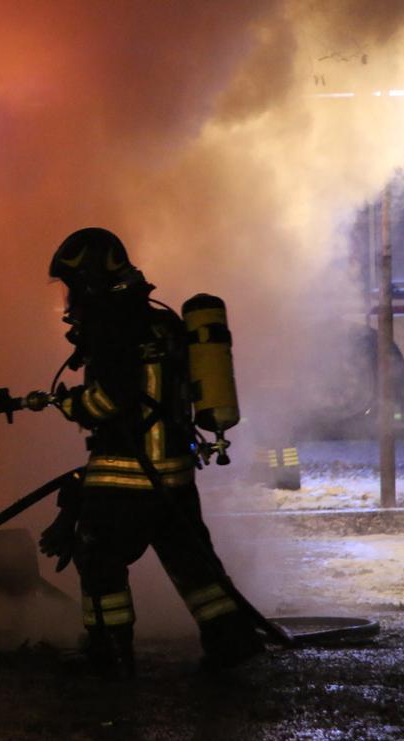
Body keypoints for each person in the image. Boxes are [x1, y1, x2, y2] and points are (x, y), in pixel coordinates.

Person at [36, 228, 263, 676]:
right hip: (175, 475)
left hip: (127, 475)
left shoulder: (111, 324)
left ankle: (110, 655)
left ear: (91, 278)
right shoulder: (163, 322)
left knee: (97, 557)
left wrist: (71, 405)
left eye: (73, 284)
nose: (70, 298)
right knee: (193, 565)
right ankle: (232, 641)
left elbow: (110, 400)